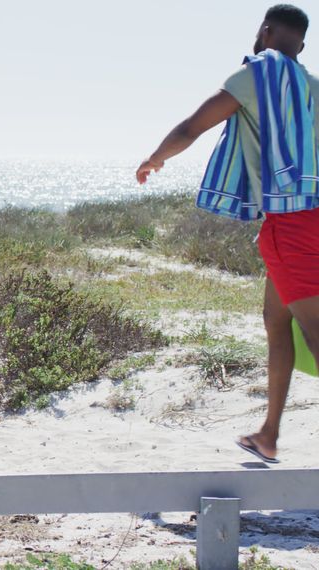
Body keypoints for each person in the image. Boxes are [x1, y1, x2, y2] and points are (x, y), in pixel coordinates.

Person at [136, 4, 319, 463]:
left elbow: (193, 125)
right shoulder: (311, 88)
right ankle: (268, 433)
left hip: (292, 222)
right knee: (277, 322)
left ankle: (270, 432)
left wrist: (156, 158)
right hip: (312, 212)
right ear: (302, 44)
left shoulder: (255, 76)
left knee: (315, 332)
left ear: (266, 30)